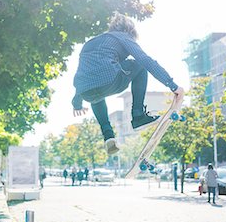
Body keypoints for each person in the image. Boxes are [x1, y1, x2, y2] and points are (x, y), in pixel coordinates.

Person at [72, 12, 184, 154]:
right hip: (110, 80)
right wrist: (172, 85)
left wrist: (77, 102)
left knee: (95, 91)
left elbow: (83, 73)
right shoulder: (123, 36)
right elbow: (145, 60)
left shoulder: (90, 43)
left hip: (85, 91)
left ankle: (108, 136)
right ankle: (138, 116)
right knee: (140, 65)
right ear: (129, 31)